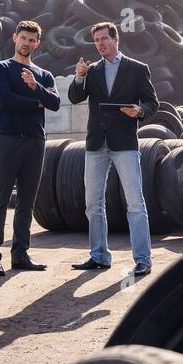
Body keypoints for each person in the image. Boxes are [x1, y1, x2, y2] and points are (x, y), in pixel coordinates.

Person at [66, 20, 158, 275]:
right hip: (96, 143)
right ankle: (99, 256)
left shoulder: (138, 69)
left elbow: (153, 103)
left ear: (115, 39)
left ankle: (142, 259)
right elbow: (75, 98)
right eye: (96, 41)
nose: (100, 44)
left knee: (135, 204)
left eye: (104, 39)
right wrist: (79, 77)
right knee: (92, 203)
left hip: (125, 143)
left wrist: (139, 111)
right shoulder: (92, 70)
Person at [0, 20, 60, 276]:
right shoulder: (1, 68)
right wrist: (37, 102)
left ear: (38, 43)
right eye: (23, 38)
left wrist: (35, 88)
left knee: (27, 202)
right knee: (0, 200)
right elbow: (6, 99)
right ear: (15, 38)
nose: (27, 43)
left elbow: (55, 103)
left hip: (36, 141)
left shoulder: (44, 75)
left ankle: (20, 255)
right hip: (8, 139)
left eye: (32, 40)